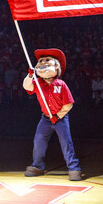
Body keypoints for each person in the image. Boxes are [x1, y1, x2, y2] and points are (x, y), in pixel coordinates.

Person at [23, 48, 82, 181]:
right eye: (41, 61)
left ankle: (74, 168)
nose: (43, 62)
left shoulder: (61, 84)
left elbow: (68, 104)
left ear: (56, 66)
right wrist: (30, 75)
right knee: (38, 141)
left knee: (66, 142)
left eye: (47, 60)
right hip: (45, 118)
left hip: (60, 118)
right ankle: (37, 166)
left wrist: (58, 116)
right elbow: (27, 87)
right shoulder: (38, 83)